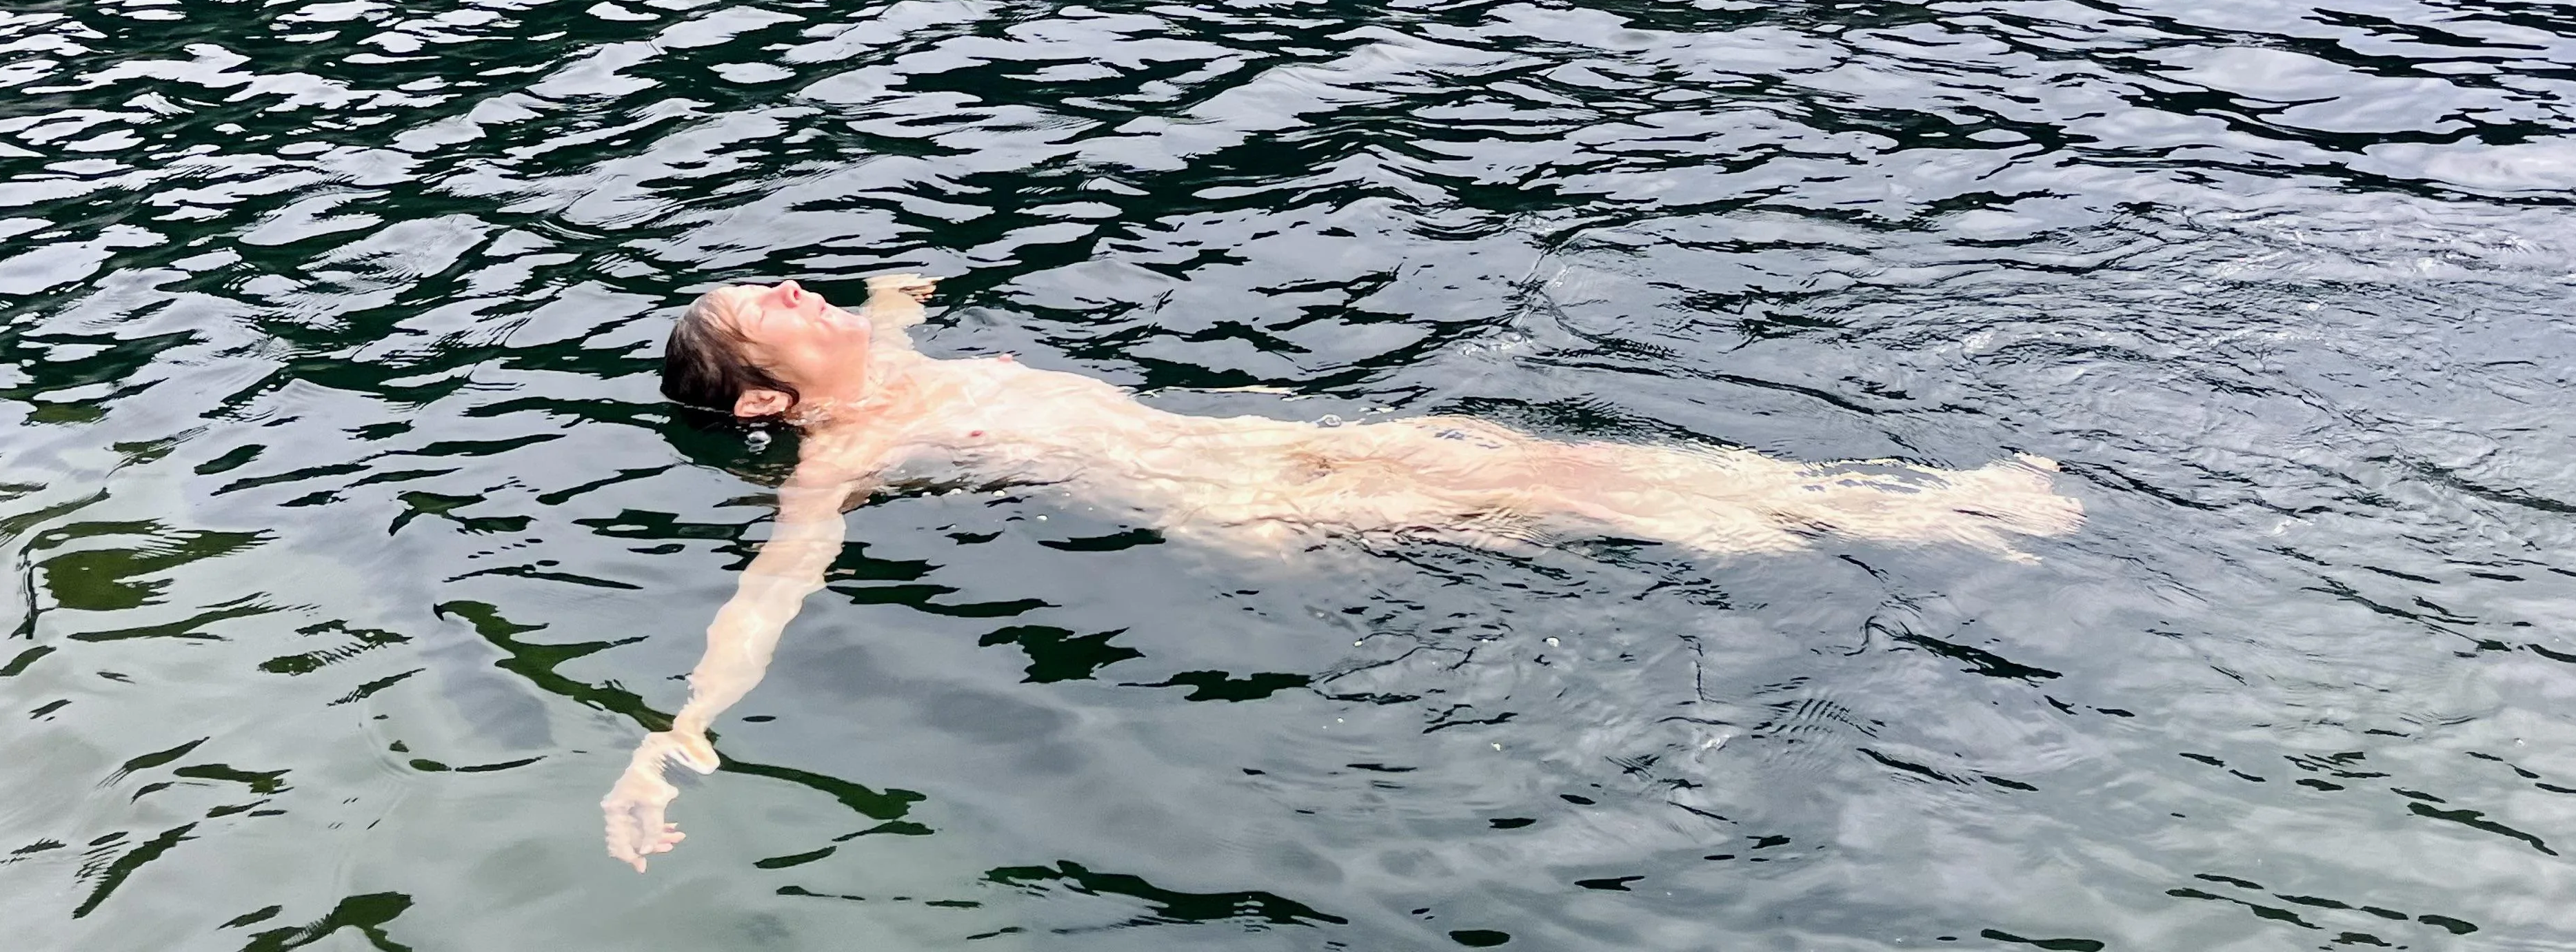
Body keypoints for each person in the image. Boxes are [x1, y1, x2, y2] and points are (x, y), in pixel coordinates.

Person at [601, 276, 2080, 869]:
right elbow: (772, 591)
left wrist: (888, 295)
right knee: (1562, 493)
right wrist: (673, 739)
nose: (792, 289)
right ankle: (1931, 522)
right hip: (1243, 501)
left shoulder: (892, 357)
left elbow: (884, 310)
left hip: (1268, 451)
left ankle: (1914, 510)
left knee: (1547, 462)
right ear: (765, 401)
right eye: (765, 310)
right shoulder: (843, 452)